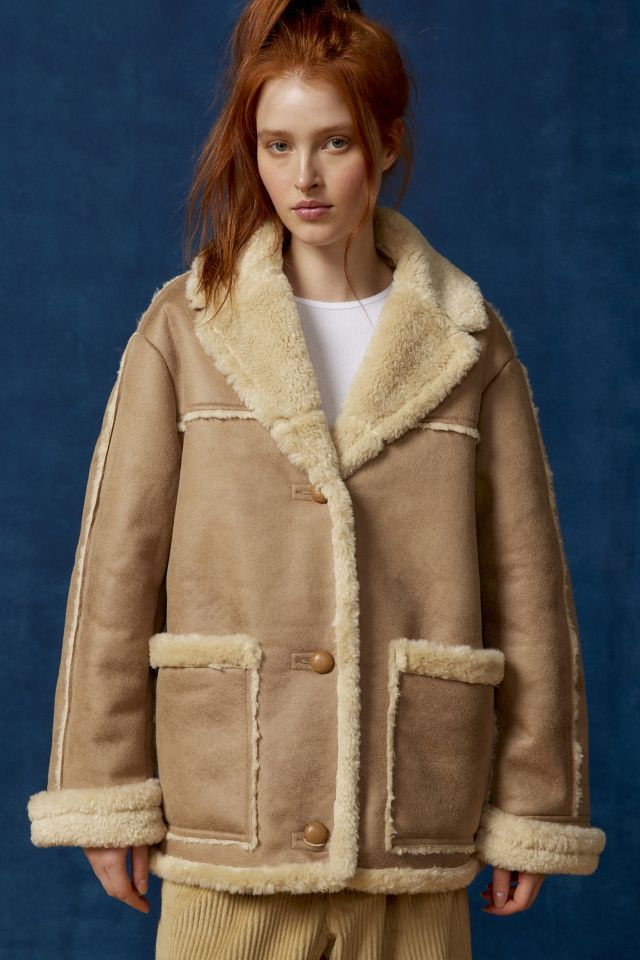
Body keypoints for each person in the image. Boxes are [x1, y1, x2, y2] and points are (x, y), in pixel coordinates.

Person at [26, 1, 607, 957]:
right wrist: (104, 792)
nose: (303, 177)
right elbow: (116, 572)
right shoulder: (187, 329)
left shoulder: (467, 340)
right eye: (277, 145)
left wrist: (535, 803)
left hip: (409, 817)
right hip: (229, 813)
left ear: (386, 143)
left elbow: (528, 586)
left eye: (334, 142)